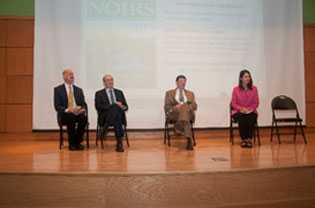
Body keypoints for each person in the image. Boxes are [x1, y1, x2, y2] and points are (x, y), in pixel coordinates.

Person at [54, 69, 88, 151]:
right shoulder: (58, 89)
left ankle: (78, 141)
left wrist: (81, 109)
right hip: (66, 114)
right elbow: (57, 106)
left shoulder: (78, 90)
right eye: (70, 74)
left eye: (72, 74)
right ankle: (72, 143)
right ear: (64, 77)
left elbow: (83, 104)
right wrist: (68, 109)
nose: (72, 76)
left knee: (83, 118)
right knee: (71, 117)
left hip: (77, 112)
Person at [95, 75, 128, 152]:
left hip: (118, 117)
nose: (110, 82)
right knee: (115, 109)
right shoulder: (99, 93)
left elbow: (126, 107)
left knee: (116, 112)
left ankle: (105, 129)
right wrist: (112, 106)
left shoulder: (119, 92)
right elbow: (98, 107)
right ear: (104, 82)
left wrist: (121, 106)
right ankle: (119, 144)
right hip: (105, 117)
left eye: (111, 80)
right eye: (108, 80)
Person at [164, 75, 197, 150]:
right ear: (176, 82)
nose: (183, 83)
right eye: (181, 81)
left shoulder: (190, 93)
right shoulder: (169, 93)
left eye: (184, 81)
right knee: (184, 111)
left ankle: (178, 127)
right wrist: (175, 107)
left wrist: (186, 107)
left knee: (185, 107)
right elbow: (166, 107)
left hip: (188, 114)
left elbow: (195, 106)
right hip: (175, 114)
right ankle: (188, 138)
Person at [231, 69, 259, 148]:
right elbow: (233, 103)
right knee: (241, 117)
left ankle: (249, 139)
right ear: (241, 78)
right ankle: (243, 139)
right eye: (246, 76)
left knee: (252, 117)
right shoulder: (235, 89)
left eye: (249, 76)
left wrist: (250, 109)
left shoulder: (254, 89)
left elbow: (256, 103)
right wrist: (241, 109)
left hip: (251, 111)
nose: (248, 78)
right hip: (238, 111)